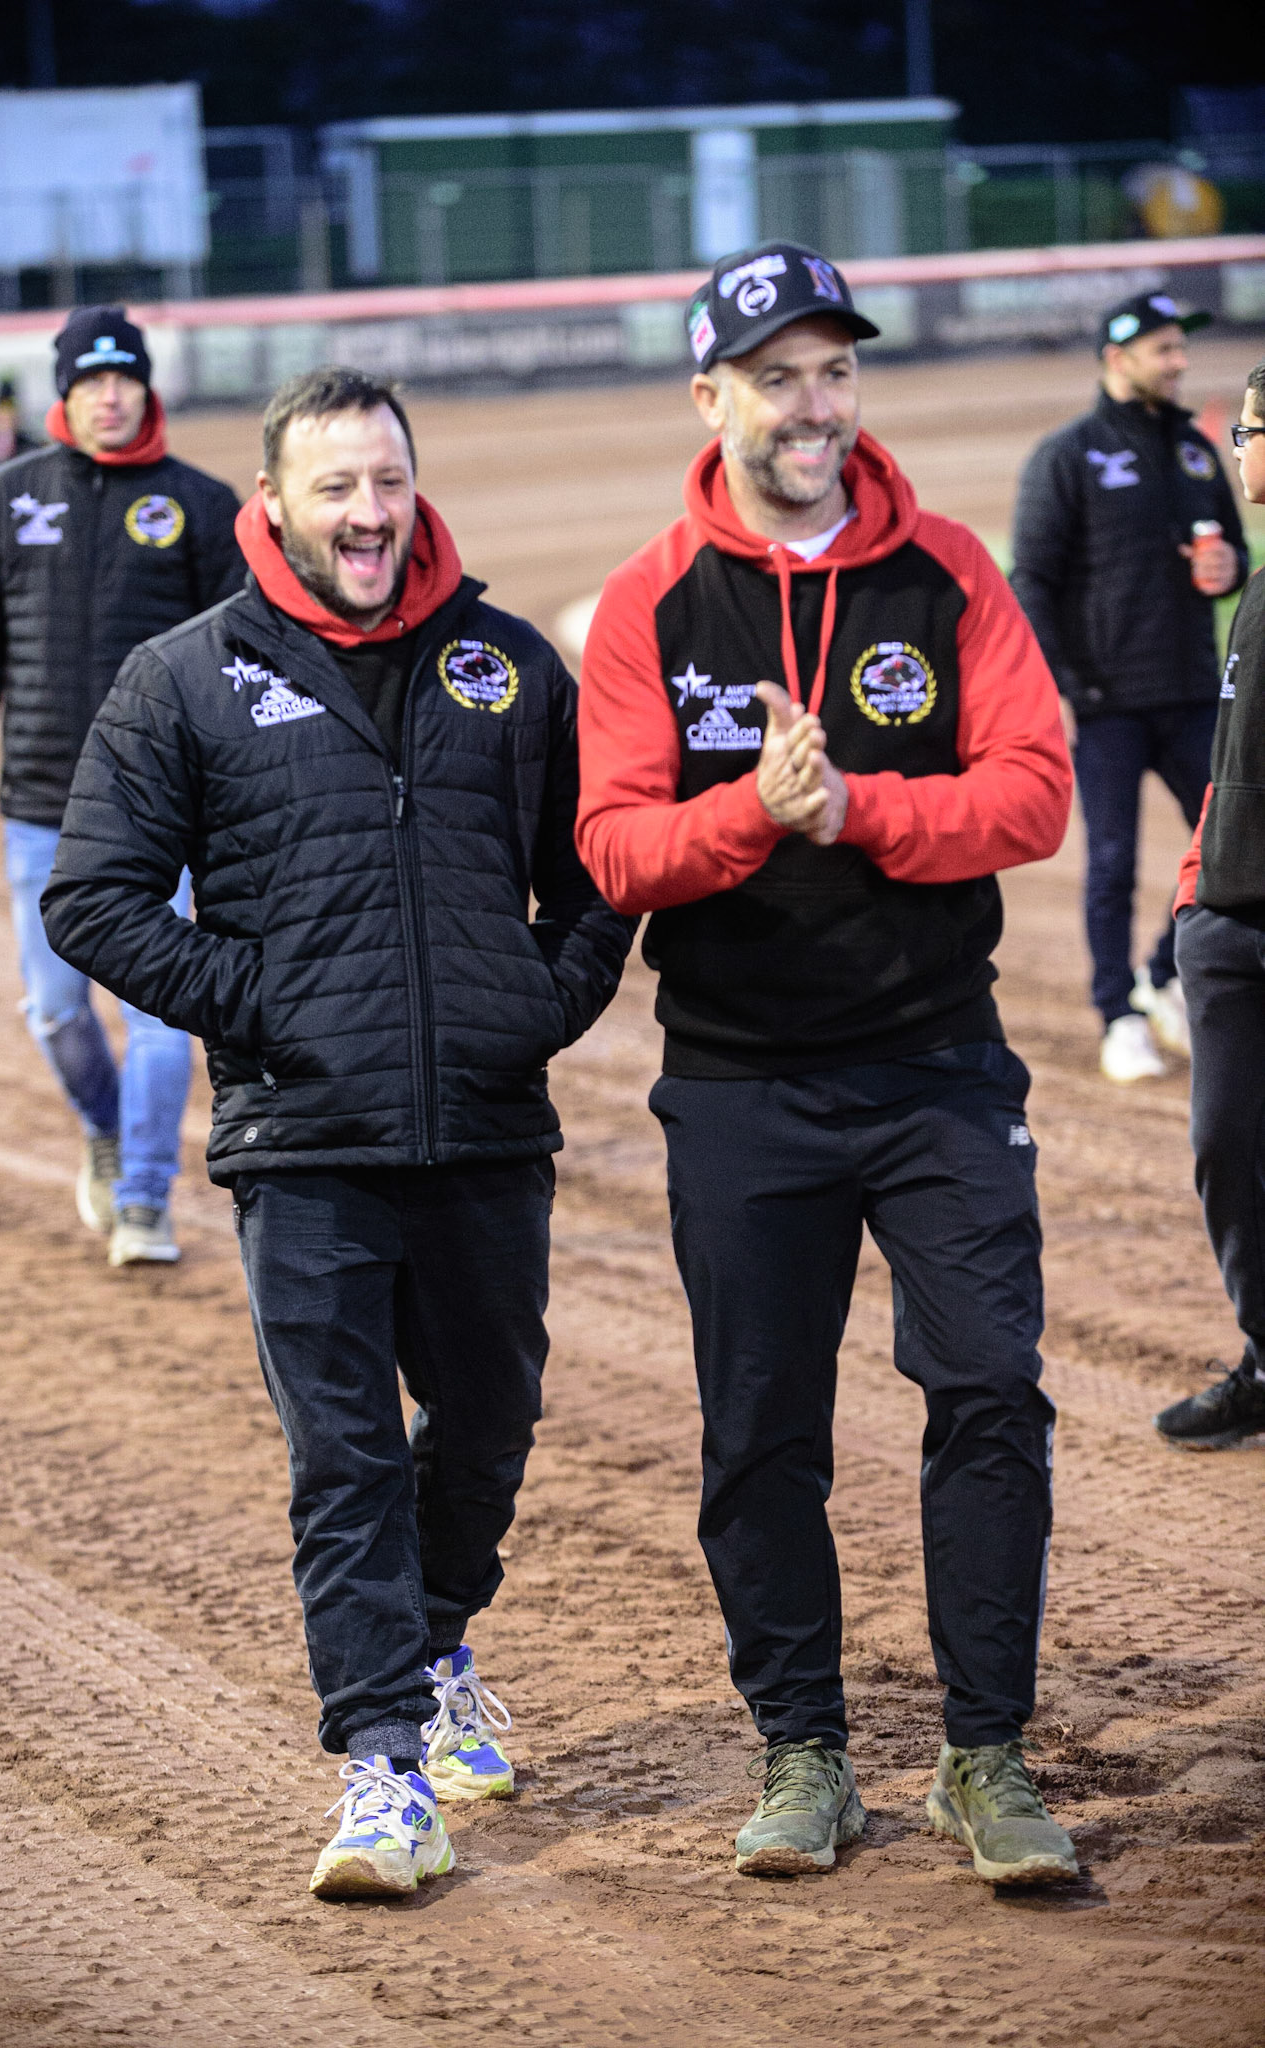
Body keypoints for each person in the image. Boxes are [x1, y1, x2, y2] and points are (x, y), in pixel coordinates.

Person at [41, 366, 634, 1898]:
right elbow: (92, 898)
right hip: (301, 1141)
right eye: (335, 489)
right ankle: (381, 1768)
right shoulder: (183, 677)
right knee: (344, 1459)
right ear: (275, 504)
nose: (368, 514)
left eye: (387, 481)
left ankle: (434, 1643)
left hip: (486, 1129)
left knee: (490, 1427)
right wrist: (263, 1008)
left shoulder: (503, 665)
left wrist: (534, 1005)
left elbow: (593, 877)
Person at [576, 240, 1078, 1887]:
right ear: (708, 394)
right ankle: (802, 1751)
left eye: (834, 371)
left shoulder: (942, 572)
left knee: (990, 1389)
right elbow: (613, 848)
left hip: (938, 1064)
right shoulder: (653, 598)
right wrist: (750, 818)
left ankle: (982, 1755)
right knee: (759, 1425)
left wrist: (860, 809)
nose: (813, 405)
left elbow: (1030, 794)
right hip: (738, 1085)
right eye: (777, 376)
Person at [0, 306, 245, 1265]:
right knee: (57, 1010)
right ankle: (105, 1136)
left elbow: (241, 663)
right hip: (37, 808)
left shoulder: (200, 504)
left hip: (163, 814)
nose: (110, 395)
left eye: (126, 377)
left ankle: (145, 1200)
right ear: (64, 391)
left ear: (148, 387)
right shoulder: (5, 497)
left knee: (158, 1018)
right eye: (91, 379)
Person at [1011, 291, 1247, 1084]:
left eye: (1182, 349)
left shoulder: (1192, 450)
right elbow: (1031, 582)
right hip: (1105, 702)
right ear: (1117, 359)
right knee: (1111, 864)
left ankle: (1162, 974)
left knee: (1229, 845)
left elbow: (1233, 558)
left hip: (1189, 692)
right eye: (1164, 350)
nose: (1179, 363)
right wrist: (1056, 684)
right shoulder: (1065, 456)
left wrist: (1228, 574)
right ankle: (1116, 1015)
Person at [1155, 357, 1265, 1452]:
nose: (1237, 454)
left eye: (1245, 433)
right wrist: (1195, 891)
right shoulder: (1253, 590)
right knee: (1225, 1153)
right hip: (1226, 922)